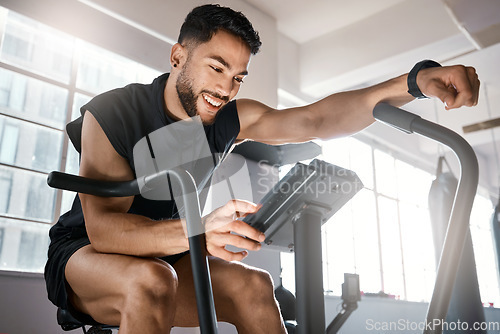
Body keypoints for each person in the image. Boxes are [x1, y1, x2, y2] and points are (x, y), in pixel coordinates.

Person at [44, 4, 480, 334]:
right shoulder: (112, 112)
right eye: (216, 67)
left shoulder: (229, 119)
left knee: (255, 287)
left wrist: (414, 83)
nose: (225, 88)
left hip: (170, 254)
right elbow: (106, 232)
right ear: (178, 56)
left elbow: (318, 120)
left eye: (237, 77)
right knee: (151, 280)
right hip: (86, 256)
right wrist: (197, 230)